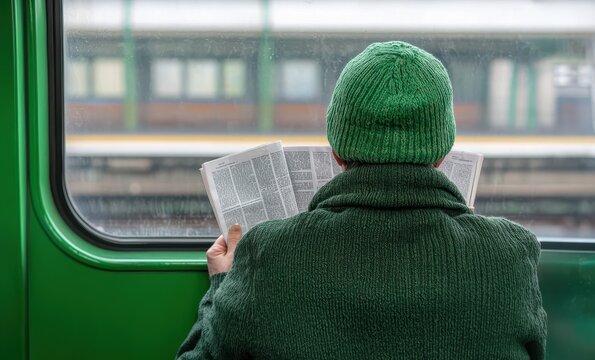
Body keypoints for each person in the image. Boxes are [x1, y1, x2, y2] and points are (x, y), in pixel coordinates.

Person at [176, 41, 547, 359]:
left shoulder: (268, 253)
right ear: (442, 153)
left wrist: (222, 285)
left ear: (336, 150)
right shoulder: (511, 253)